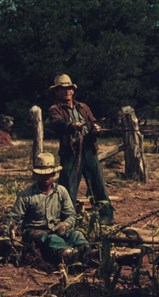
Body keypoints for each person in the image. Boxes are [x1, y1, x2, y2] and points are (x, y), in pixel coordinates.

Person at [46, 73, 114, 225]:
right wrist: (71, 126)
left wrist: (96, 128)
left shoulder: (83, 107)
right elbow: (58, 125)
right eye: (63, 89)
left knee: (98, 185)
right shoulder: (54, 109)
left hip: (89, 150)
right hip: (70, 153)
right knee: (69, 188)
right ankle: (69, 220)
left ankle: (106, 218)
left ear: (73, 90)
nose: (67, 91)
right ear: (56, 92)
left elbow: (93, 121)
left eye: (69, 88)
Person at [6, 153, 90, 264]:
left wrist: (65, 225)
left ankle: (87, 252)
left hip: (55, 230)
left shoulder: (61, 191)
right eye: (42, 175)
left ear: (54, 174)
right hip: (34, 232)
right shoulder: (26, 195)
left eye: (49, 174)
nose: (46, 178)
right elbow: (14, 217)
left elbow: (71, 215)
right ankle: (68, 254)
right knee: (51, 239)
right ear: (36, 175)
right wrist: (11, 228)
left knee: (76, 235)